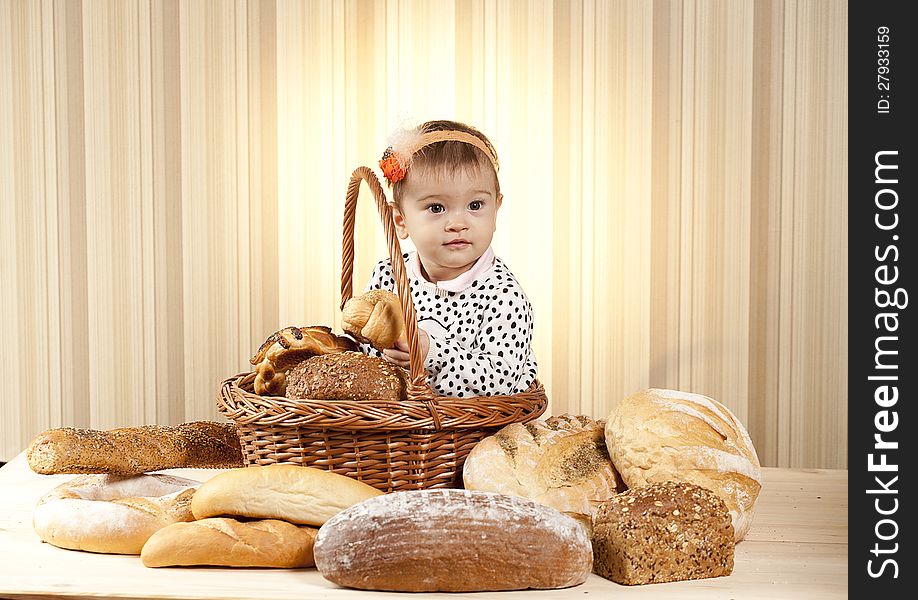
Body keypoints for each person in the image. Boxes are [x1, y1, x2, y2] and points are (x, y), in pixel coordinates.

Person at [359, 119, 538, 398]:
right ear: (400, 220)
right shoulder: (390, 275)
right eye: (436, 207)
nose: (457, 223)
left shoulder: (503, 296)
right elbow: (364, 350)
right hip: (396, 431)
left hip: (474, 432)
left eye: (475, 205)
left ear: (496, 209)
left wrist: (432, 352)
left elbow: (501, 383)